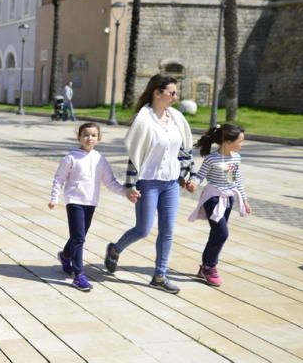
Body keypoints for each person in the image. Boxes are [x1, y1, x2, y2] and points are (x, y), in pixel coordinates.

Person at [104, 74, 195, 294]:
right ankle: (115, 249)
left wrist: (187, 176)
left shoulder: (176, 119)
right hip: (148, 182)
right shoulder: (143, 120)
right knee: (143, 229)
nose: (175, 97)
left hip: (171, 183)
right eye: (171, 92)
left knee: (167, 230)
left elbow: (184, 151)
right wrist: (130, 185)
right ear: (157, 93)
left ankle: (159, 276)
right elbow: (135, 156)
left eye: (175, 92)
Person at [49, 123, 138, 291]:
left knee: (79, 235)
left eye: (93, 135)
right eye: (86, 135)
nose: (89, 138)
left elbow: (110, 182)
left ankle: (65, 255)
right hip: (74, 201)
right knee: (79, 238)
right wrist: (54, 198)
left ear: (99, 138)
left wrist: (126, 192)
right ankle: (79, 275)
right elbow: (59, 179)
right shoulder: (71, 158)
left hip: (91, 202)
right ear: (79, 138)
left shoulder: (100, 159)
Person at [188, 124, 252, 286]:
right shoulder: (211, 158)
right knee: (222, 233)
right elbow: (200, 176)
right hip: (213, 199)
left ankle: (205, 266)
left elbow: (237, 181)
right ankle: (210, 266)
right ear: (227, 142)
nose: (242, 144)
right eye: (240, 141)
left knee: (216, 233)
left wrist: (243, 200)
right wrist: (193, 183)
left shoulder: (236, 158)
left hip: (228, 199)